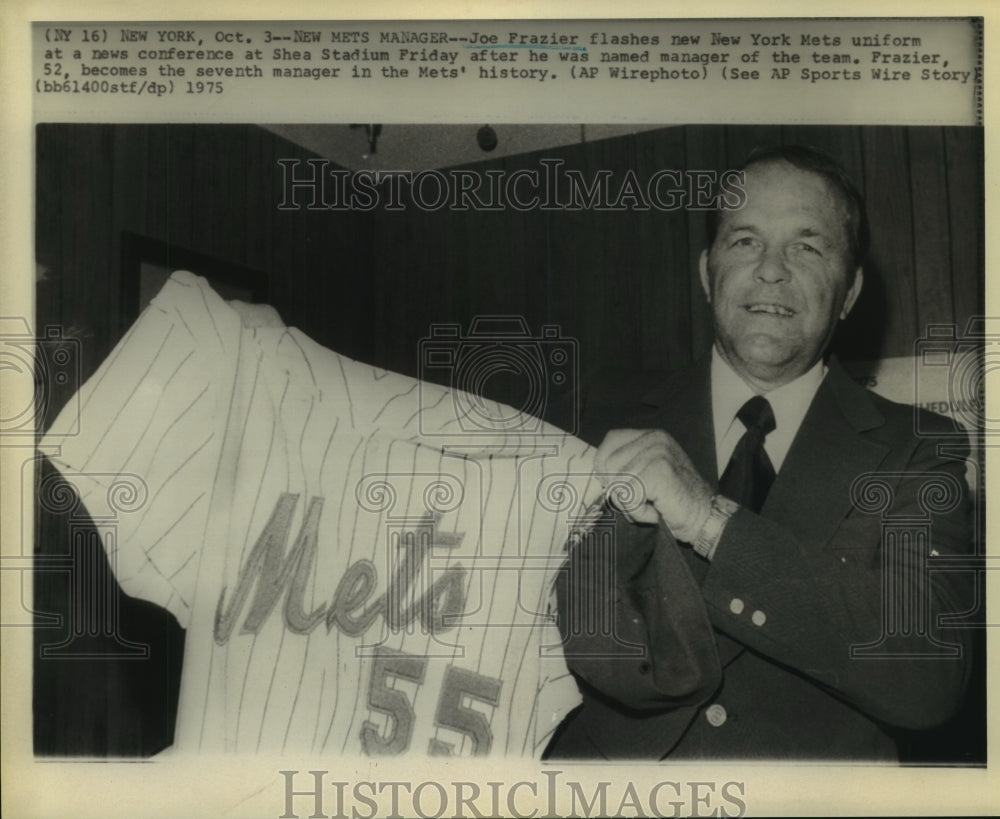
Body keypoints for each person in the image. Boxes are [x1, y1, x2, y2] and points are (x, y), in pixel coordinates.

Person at [546, 145, 976, 760]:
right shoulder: (592, 427)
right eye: (745, 240)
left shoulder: (916, 453)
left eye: (808, 245)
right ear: (706, 273)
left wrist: (708, 518)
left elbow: (925, 677)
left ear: (850, 291)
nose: (772, 269)